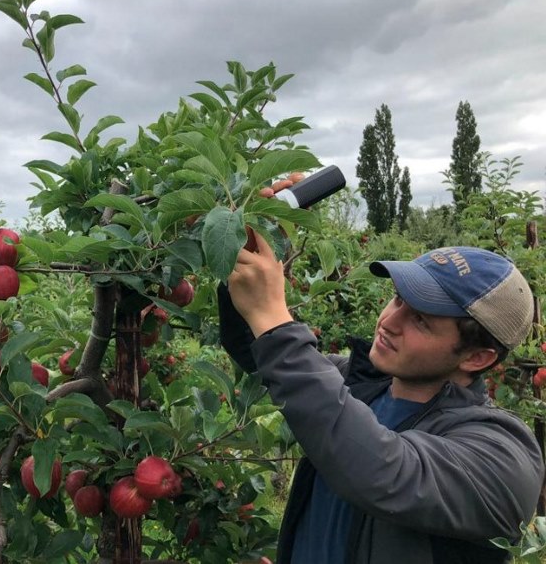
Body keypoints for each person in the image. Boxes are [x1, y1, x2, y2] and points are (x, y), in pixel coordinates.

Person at [218, 231, 544, 564]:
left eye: (420, 319)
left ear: (477, 358)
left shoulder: (503, 457)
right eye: (398, 299)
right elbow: (259, 353)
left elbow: (383, 472)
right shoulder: (357, 385)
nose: (389, 321)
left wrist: (274, 322)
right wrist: (249, 245)